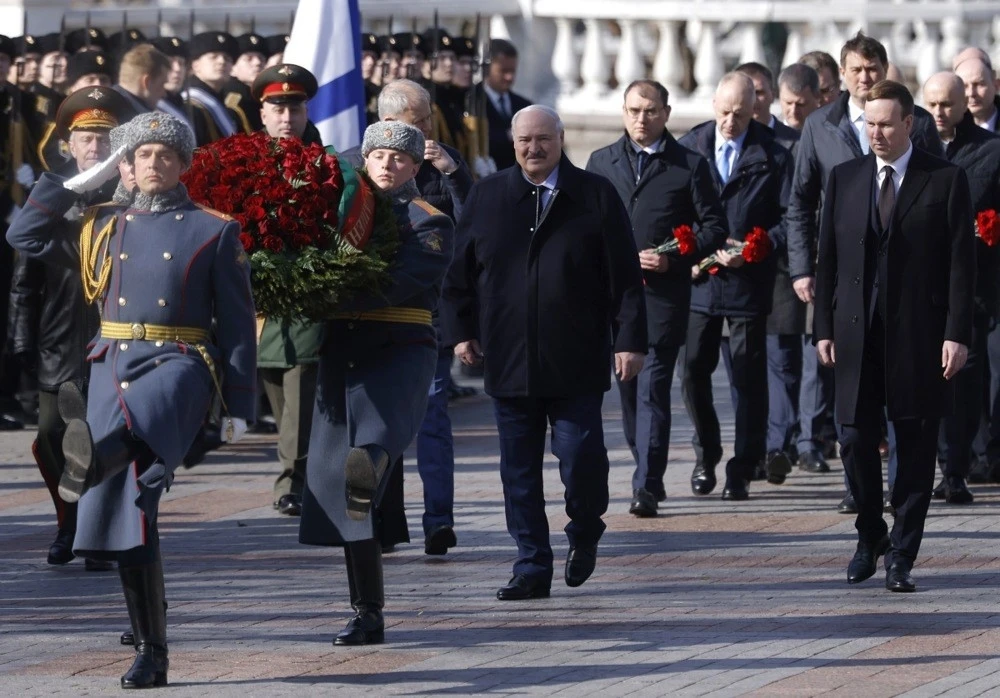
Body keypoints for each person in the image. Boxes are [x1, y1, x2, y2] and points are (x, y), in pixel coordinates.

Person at [6, 111, 257, 687]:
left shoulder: (213, 229)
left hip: (179, 362)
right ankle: (152, 647)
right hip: (110, 363)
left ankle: (87, 458)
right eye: (142, 155)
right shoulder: (102, 223)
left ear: (184, 164)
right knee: (128, 513)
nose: (153, 164)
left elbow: (239, 324)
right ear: (125, 165)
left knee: (121, 448)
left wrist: (239, 406)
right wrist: (74, 181)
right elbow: (23, 236)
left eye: (166, 155)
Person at [442, 105, 647, 600]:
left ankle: (584, 526)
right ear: (512, 144)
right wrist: (461, 331)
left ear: (560, 140)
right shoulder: (489, 197)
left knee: (581, 457)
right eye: (524, 141)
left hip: (575, 356)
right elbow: (458, 276)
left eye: (543, 140)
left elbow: (624, 277)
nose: (534, 149)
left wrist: (630, 339)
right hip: (508, 359)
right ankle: (531, 564)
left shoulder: (594, 195)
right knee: (518, 471)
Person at [814, 80, 975, 593]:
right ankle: (870, 533)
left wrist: (956, 334)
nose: (876, 132)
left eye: (886, 123)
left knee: (915, 444)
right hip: (856, 333)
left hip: (920, 336)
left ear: (910, 123)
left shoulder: (945, 179)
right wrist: (822, 327)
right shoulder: (845, 178)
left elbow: (959, 266)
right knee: (854, 438)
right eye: (869, 123)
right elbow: (828, 260)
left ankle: (902, 555)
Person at [299, 120, 455, 645]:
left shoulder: (429, 221)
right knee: (346, 489)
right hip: (343, 354)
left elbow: (397, 282)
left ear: (415, 166)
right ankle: (367, 611)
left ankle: (376, 465)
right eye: (378, 156)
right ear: (364, 160)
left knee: (368, 456)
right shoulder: (339, 217)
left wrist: (318, 292)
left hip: (399, 352)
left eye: (399, 158)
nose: (387, 164)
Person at [787, 32, 943, 513]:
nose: (865, 77)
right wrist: (803, 267)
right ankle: (858, 493)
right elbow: (801, 202)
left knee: (905, 409)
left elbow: (936, 196)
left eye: (873, 68)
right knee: (853, 411)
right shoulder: (820, 125)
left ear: (885, 69)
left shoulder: (914, 124)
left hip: (904, 289)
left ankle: (900, 497)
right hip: (847, 284)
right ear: (842, 75)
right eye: (856, 69)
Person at [339, 78, 472, 554]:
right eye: (417, 124)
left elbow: (468, 226)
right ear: (387, 124)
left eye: (428, 122)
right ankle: (381, 523)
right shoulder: (353, 166)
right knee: (373, 430)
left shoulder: (440, 162)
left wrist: (453, 172)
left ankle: (439, 519)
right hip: (361, 326)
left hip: (423, 317)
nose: (427, 132)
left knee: (431, 421)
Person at [586, 79, 727, 516]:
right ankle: (646, 465)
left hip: (663, 298)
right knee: (627, 391)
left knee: (653, 389)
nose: (640, 120)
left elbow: (714, 228)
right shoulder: (600, 161)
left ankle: (646, 483)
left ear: (666, 112)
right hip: (613, 300)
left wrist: (674, 258)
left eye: (649, 111)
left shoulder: (689, 164)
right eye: (632, 111)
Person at [7, 86, 133, 570]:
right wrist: (20, 342)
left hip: (112, 334)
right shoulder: (54, 190)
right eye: (85, 137)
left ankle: (97, 529)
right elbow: (25, 272)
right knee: (52, 437)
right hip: (59, 336)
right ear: (68, 143)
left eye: (103, 136)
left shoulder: (129, 191)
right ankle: (70, 523)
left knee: (104, 437)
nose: (94, 146)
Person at [678, 72, 793, 500]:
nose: (730, 122)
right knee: (692, 372)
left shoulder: (773, 154)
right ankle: (706, 452)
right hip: (701, 279)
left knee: (747, 377)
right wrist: (686, 252)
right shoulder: (690, 147)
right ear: (713, 105)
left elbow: (789, 218)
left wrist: (756, 247)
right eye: (725, 112)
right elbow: (676, 207)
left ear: (754, 110)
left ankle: (742, 466)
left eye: (741, 115)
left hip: (748, 280)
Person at [249, 64, 324, 517]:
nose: (286, 116)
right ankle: (299, 470)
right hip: (258, 298)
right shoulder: (243, 162)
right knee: (277, 387)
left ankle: (292, 480)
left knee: (300, 384)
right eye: (277, 107)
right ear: (261, 112)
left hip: (309, 293)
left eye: (294, 106)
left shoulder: (328, 161)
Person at [923, 72, 1000, 503]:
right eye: (931, 104)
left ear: (963, 105)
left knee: (967, 377)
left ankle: (956, 469)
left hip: (974, 287)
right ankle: (941, 462)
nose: (938, 113)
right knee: (929, 376)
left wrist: (988, 230)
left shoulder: (991, 152)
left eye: (947, 105)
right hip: (924, 287)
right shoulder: (913, 147)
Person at [763, 63, 829, 476]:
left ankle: (810, 440)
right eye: (787, 104)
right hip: (779, 265)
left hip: (818, 259)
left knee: (815, 357)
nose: (793, 112)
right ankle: (779, 442)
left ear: (817, 100)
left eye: (801, 104)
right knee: (780, 357)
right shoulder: (770, 143)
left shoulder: (824, 134)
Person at [471, 39, 532, 172]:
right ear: (486, 68)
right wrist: (508, 136)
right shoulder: (471, 101)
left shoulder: (524, 105)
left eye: (512, 71)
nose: (509, 77)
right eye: (503, 71)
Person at [184, 31, 241, 144]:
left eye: (227, 58)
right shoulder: (190, 104)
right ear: (196, 65)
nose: (222, 62)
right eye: (213, 57)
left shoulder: (223, 102)